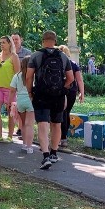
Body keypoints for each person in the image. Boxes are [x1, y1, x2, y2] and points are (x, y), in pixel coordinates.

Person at [25, 30, 74, 169]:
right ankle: (54, 153)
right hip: (58, 96)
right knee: (56, 124)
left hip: (41, 95)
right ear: (55, 41)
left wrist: (30, 92)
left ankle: (45, 156)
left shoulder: (35, 56)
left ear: (43, 40)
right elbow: (70, 78)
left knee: (43, 124)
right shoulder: (63, 57)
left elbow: (29, 76)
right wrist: (61, 89)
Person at [0, 36, 21, 142]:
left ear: (10, 44)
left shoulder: (14, 56)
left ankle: (9, 136)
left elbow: (18, 74)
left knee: (10, 112)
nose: (1, 45)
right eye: (0, 43)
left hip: (10, 89)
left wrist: (16, 89)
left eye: (4, 42)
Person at [58, 45, 84, 147]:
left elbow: (79, 79)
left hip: (61, 90)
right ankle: (63, 137)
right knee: (66, 113)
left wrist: (82, 92)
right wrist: (82, 92)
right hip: (72, 91)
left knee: (62, 113)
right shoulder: (73, 64)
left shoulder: (58, 63)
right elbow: (79, 79)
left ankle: (62, 137)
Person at [10, 57, 35, 154]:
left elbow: (12, 90)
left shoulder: (17, 76)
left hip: (20, 100)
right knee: (30, 125)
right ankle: (29, 147)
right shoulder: (34, 76)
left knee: (23, 124)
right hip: (30, 100)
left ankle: (24, 144)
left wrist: (9, 102)